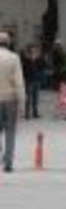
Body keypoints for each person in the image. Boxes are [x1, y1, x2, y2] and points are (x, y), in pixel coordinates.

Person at [0, 31, 25, 173]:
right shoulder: (14, 58)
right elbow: (19, 82)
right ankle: (8, 162)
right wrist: (22, 102)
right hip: (10, 99)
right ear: (8, 43)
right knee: (10, 131)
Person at [21, 45, 45, 120]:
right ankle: (27, 113)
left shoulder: (39, 59)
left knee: (36, 97)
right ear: (29, 51)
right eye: (32, 51)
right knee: (28, 98)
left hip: (37, 80)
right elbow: (24, 70)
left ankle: (35, 112)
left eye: (35, 51)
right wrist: (30, 60)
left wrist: (39, 59)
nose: (33, 52)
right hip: (29, 80)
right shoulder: (26, 60)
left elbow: (42, 66)